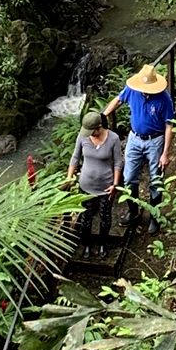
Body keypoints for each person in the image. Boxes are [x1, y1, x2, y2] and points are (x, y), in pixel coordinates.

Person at [103, 65, 174, 235]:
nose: (144, 91)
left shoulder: (164, 99)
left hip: (155, 140)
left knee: (155, 180)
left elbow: (169, 126)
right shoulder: (132, 90)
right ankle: (133, 210)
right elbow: (118, 100)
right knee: (129, 178)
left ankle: (155, 217)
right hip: (134, 139)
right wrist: (103, 116)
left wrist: (165, 153)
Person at [67, 111, 123, 260]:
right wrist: (68, 177)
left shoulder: (113, 139)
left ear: (99, 127)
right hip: (86, 185)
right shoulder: (83, 136)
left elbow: (118, 163)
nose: (90, 135)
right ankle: (86, 244)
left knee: (105, 217)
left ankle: (102, 244)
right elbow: (75, 157)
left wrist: (115, 185)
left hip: (106, 186)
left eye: (92, 131)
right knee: (86, 217)